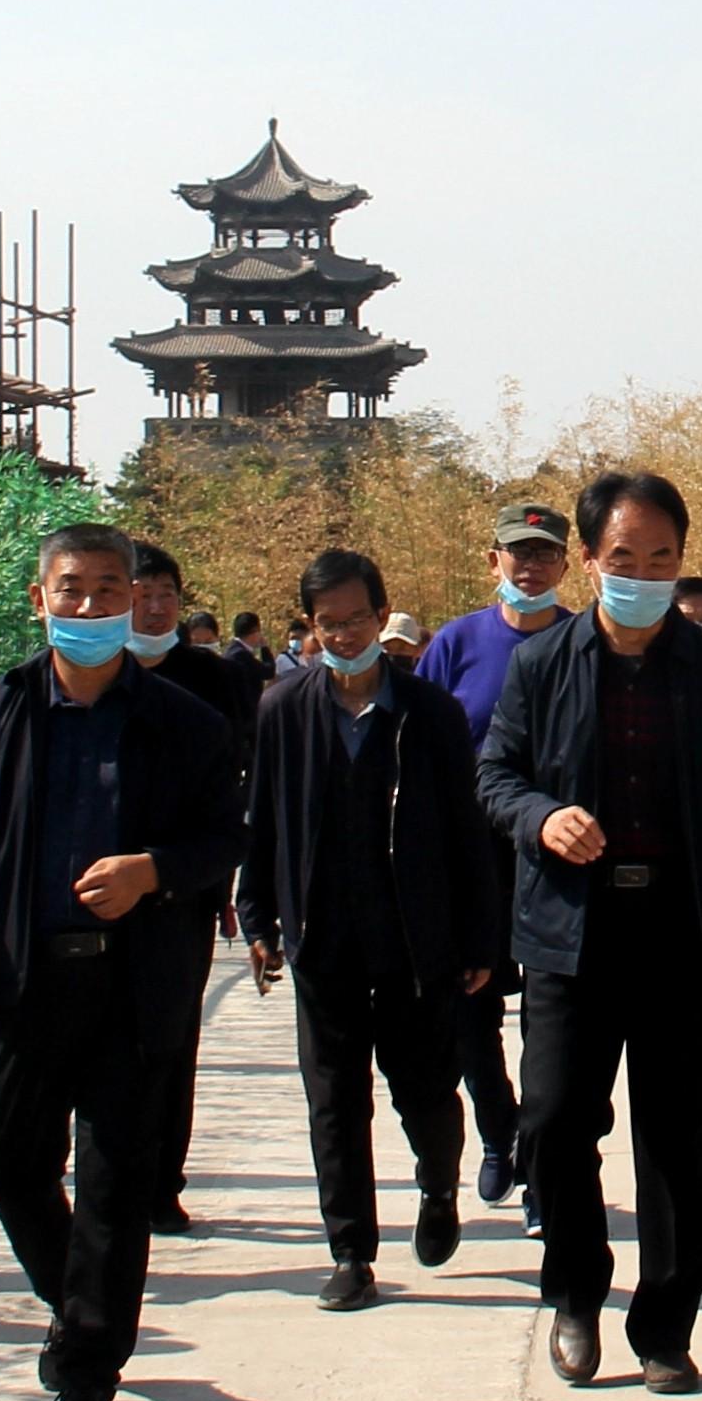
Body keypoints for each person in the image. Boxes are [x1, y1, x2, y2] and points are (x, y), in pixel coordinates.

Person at [477, 469, 702, 1394]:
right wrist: (540, 814)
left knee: (677, 1138)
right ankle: (576, 1291)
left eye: (662, 556)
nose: (644, 572)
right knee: (550, 1120)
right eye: (625, 556)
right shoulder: (540, 665)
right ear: (589, 561)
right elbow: (494, 775)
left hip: (683, 925)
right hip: (570, 934)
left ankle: (666, 1321)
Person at [0, 526, 237, 1401]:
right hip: (27, 977)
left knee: (112, 1183)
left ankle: (89, 1371)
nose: (93, 607)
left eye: (110, 589)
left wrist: (154, 871)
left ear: (137, 598)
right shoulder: (1, 706)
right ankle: (80, 1311)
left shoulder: (184, 721)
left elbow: (227, 839)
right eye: (74, 589)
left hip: (135, 987)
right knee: (15, 1170)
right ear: (40, 598)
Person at [241, 549, 496, 1308]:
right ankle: (351, 1249)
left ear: (384, 617)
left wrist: (480, 937)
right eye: (329, 624)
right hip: (324, 940)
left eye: (358, 619)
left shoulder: (432, 714)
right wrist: (258, 915)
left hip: (416, 940)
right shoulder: (283, 708)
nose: (346, 634)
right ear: (310, 629)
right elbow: (266, 824)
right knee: (334, 1099)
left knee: (424, 1089)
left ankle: (437, 1185)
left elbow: (467, 831)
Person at [414, 500, 577, 1218]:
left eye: (545, 554)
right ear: (494, 562)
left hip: (556, 857)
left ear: (568, 566)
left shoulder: (584, 642)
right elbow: (414, 749)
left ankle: (546, 1169)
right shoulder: (455, 644)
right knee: (470, 1015)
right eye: (519, 552)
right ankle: (496, 1133)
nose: (531, 566)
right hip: (469, 856)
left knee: (553, 1021)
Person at [123, 539, 256, 1232]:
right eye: (139, 591)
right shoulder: (89, 675)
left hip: (184, 886)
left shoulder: (212, 677)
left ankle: (162, 1181)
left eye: (164, 592)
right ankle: (106, 1170)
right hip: (96, 892)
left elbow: (241, 775)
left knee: (173, 1039)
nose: (153, 605)